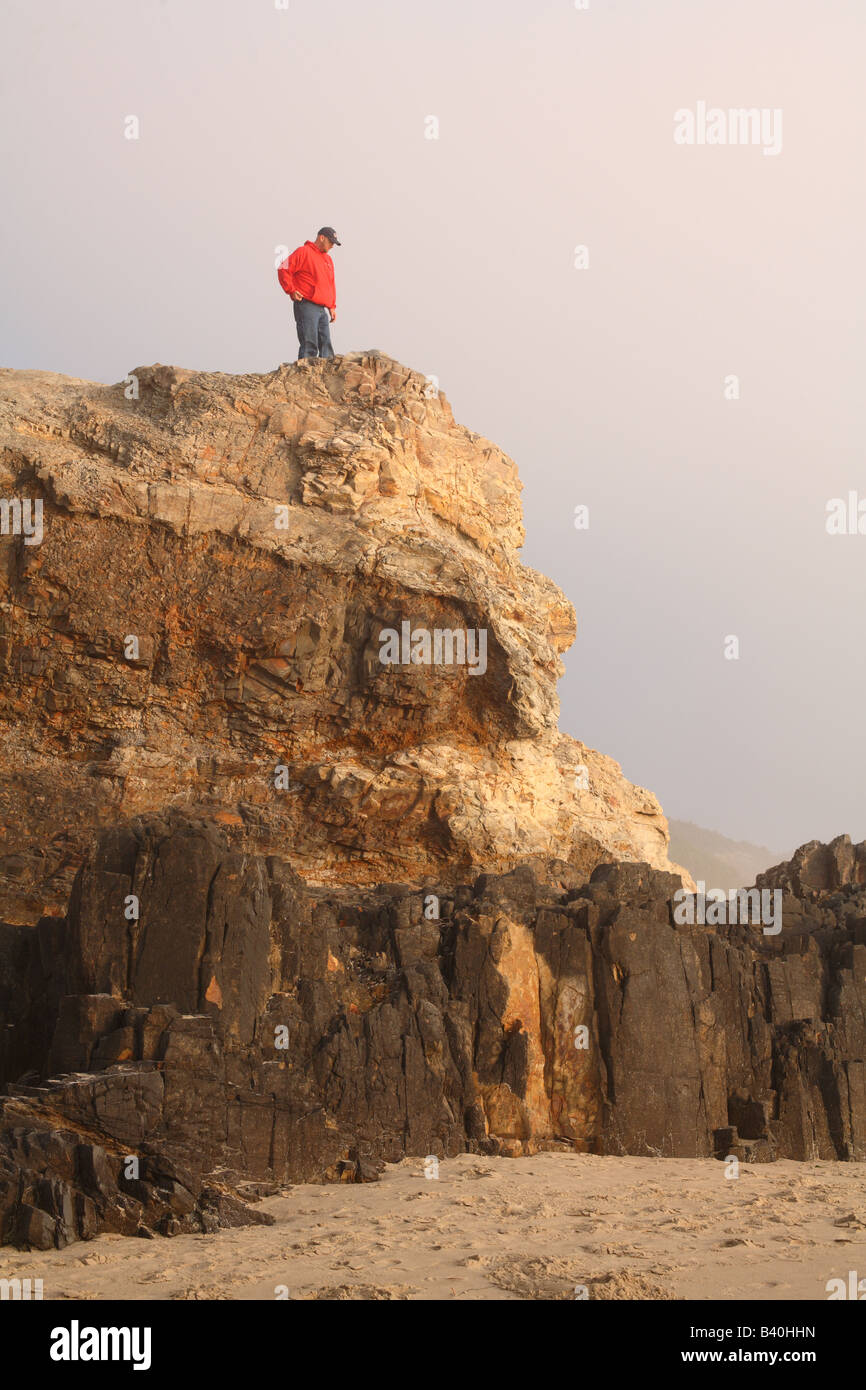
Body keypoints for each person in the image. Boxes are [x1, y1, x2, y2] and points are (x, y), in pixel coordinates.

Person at [277, 227, 341, 360]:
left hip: (322, 308)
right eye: (331, 242)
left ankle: (326, 377)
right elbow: (284, 268)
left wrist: (332, 306)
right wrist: (291, 290)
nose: (332, 246)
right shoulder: (304, 252)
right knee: (309, 344)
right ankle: (304, 376)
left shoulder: (328, 260)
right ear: (321, 238)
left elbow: (330, 283)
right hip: (306, 304)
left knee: (326, 344)